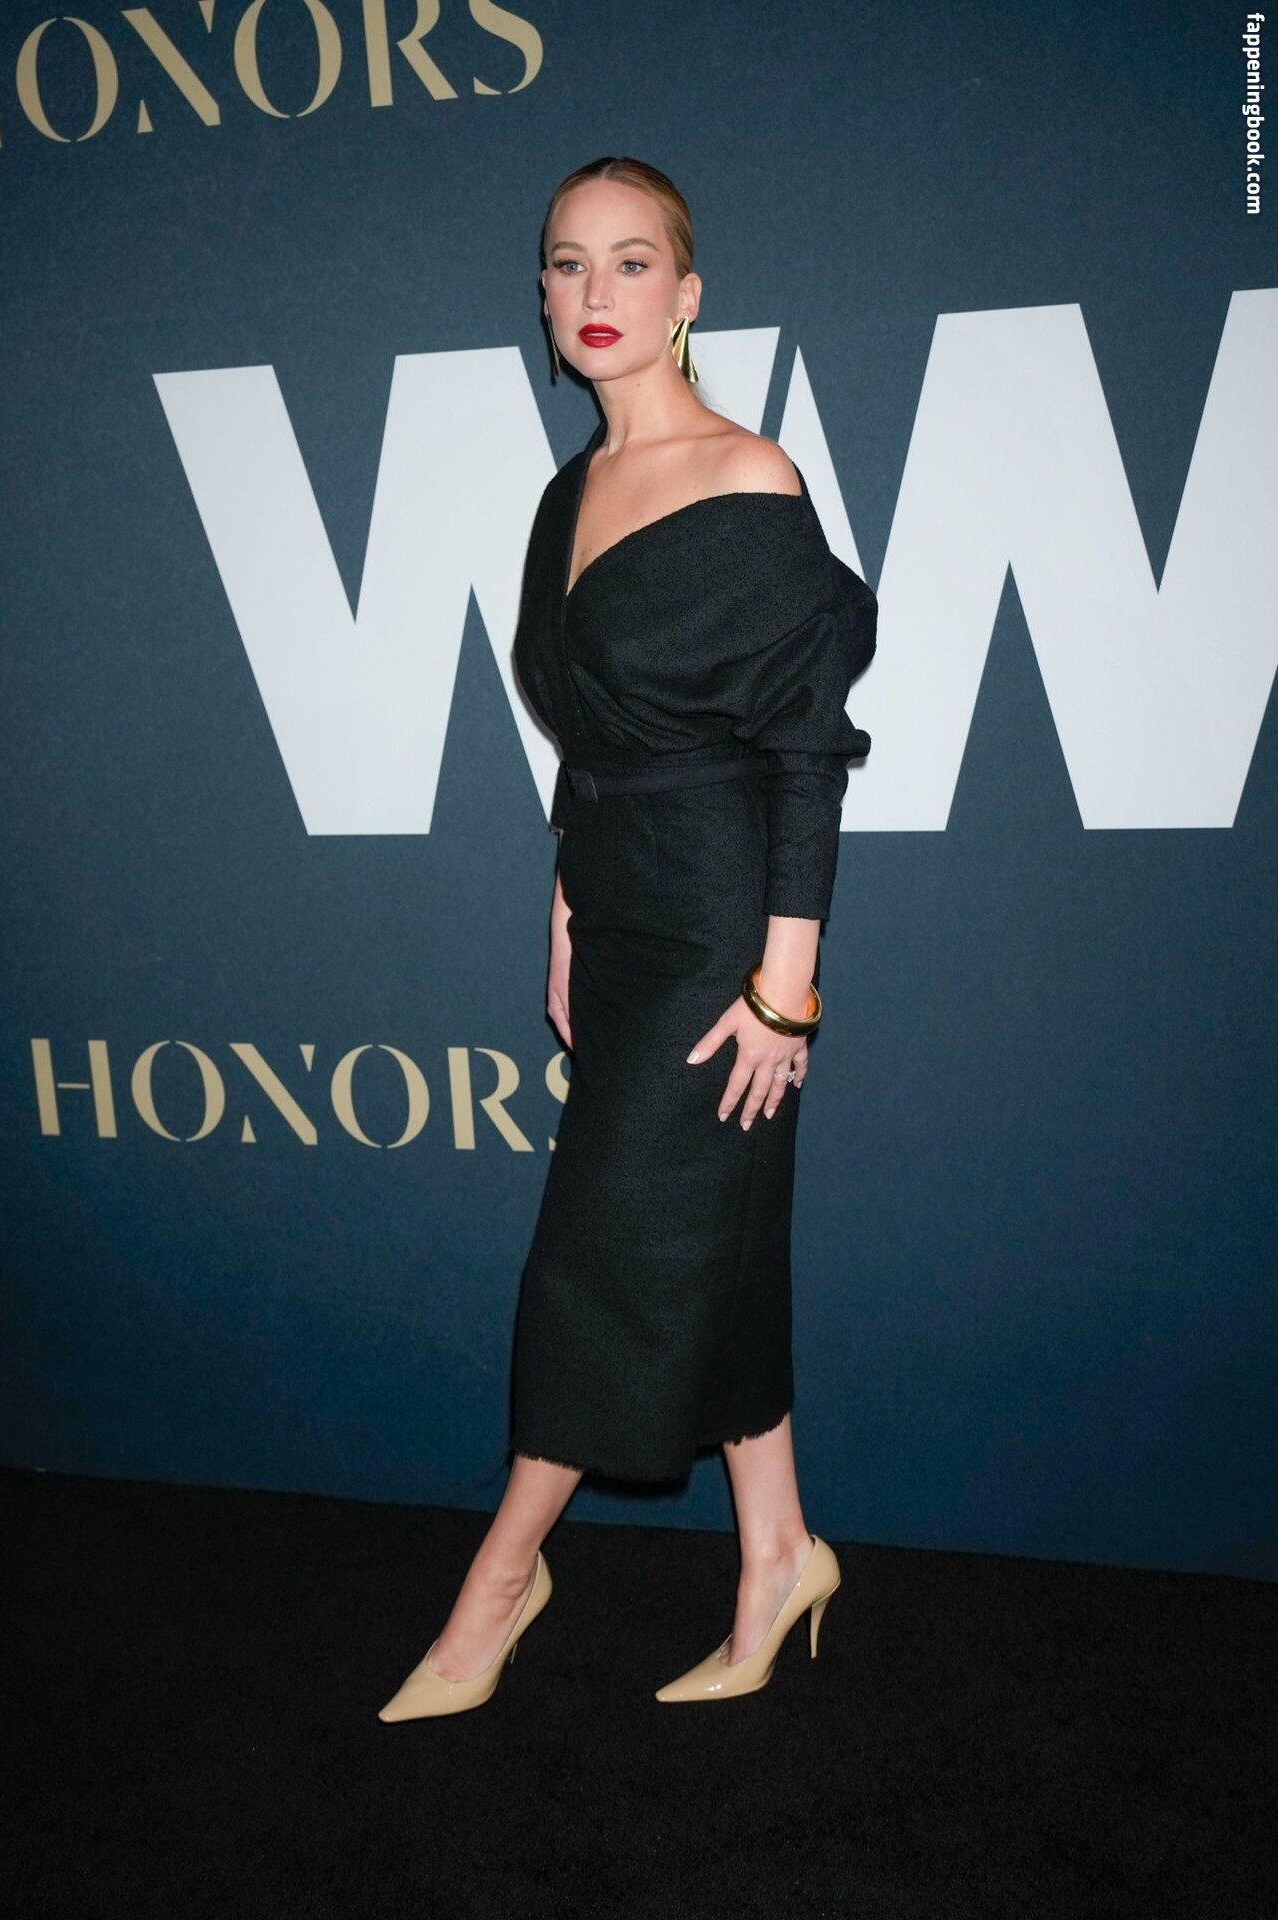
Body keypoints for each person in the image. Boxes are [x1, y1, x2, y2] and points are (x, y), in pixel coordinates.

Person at [378, 156, 876, 1721]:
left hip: (726, 926)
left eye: (633, 262)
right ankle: (780, 1552)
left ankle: (499, 1583)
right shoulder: (566, 496)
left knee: (602, 1257)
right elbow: (589, 742)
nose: (596, 293)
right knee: (707, 1245)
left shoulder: (750, 477)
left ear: (687, 295)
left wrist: (785, 987)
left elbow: (804, 749)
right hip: (617, 907)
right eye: (567, 263)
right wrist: (565, 906)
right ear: (542, 295)